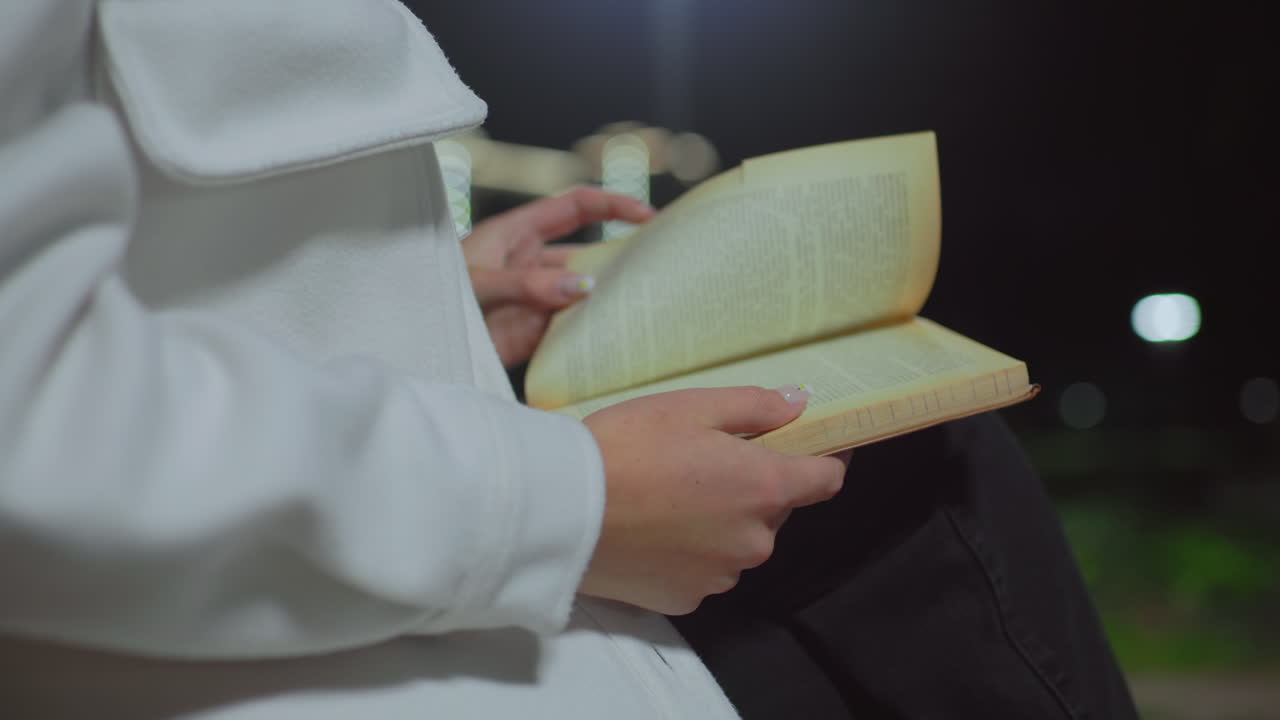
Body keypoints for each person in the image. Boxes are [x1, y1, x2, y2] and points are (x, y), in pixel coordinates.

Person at [0, 2, 1136, 718]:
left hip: (358, 568)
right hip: (298, 636)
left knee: (911, 464)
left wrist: (430, 307)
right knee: (919, 489)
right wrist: (570, 504)